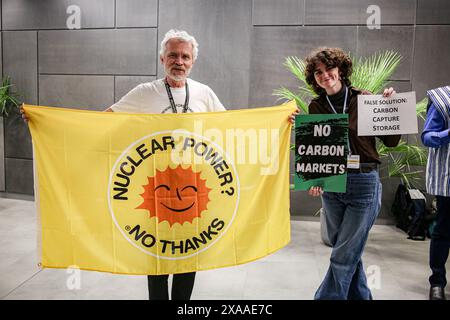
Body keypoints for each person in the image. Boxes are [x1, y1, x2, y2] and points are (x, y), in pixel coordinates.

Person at [303, 47, 401, 300]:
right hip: (333, 184)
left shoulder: (364, 99)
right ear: (314, 78)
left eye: (329, 69)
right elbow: (317, 149)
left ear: (341, 70)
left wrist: (389, 107)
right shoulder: (316, 106)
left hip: (363, 182)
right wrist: (315, 178)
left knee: (343, 255)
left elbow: (391, 141)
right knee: (346, 250)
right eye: (318, 72)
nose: (325, 75)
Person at [421, 85, 450, 300]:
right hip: (448, 179)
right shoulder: (443, 99)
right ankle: (437, 282)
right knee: (443, 231)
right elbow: (428, 137)